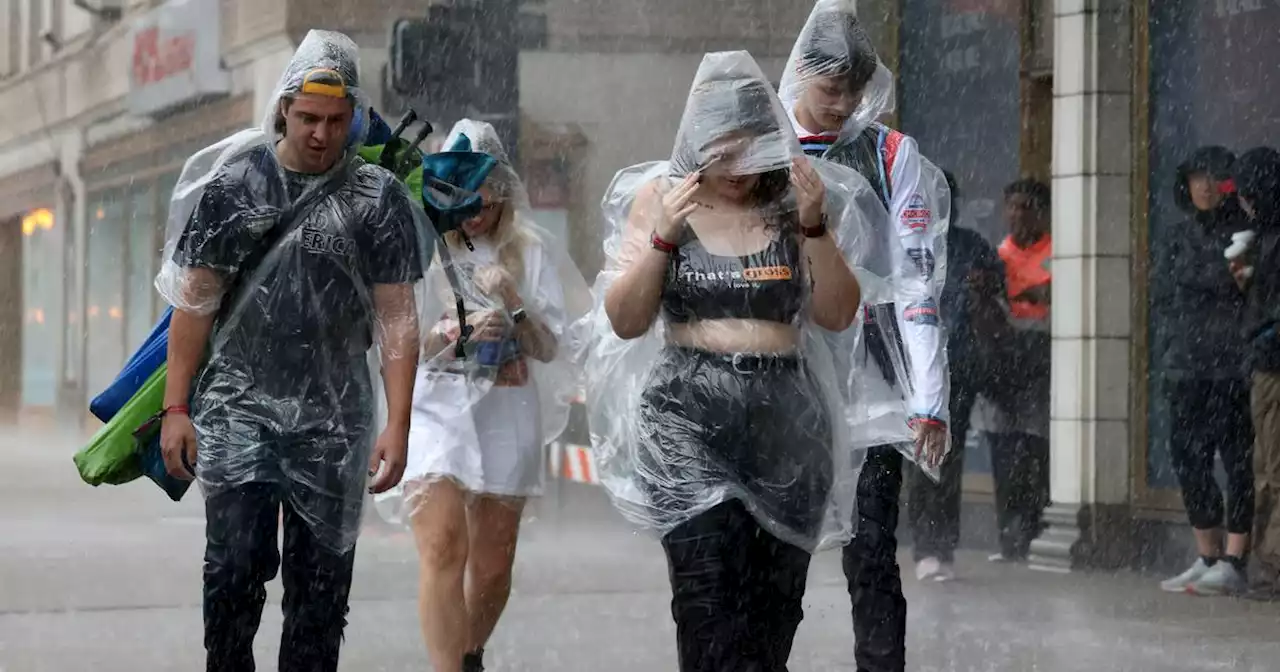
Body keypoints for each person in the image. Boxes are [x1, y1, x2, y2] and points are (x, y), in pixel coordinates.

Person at [584, 51, 879, 671]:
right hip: (687, 419)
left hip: (786, 422)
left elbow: (838, 312)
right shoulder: (661, 200)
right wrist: (663, 236)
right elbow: (625, 318)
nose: (737, 169)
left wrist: (815, 227)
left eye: (749, 150)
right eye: (720, 150)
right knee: (706, 601)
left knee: (772, 617)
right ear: (694, 142)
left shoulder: (793, 203)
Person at [154, 31, 428, 672]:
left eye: (336, 121)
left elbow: (397, 318)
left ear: (354, 117)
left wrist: (399, 421)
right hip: (238, 408)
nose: (321, 134)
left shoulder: (377, 200)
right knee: (232, 571)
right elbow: (193, 304)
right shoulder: (237, 185)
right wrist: (175, 407)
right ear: (282, 109)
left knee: (321, 595)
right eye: (307, 118)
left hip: (333, 419)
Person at [777, 3, 951, 669]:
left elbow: (915, 279)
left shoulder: (890, 152)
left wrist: (928, 397)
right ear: (799, 77)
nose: (842, 104)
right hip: (785, 381)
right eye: (829, 89)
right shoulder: (763, 148)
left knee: (873, 556)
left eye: (853, 90)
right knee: (777, 559)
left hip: (873, 390)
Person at [381, 120, 590, 672]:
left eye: (486, 200)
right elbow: (399, 338)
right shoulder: (422, 249)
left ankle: (467, 653)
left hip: (506, 410)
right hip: (435, 412)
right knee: (444, 545)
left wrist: (514, 306)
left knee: (493, 566)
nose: (474, 212)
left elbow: (550, 348)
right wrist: (450, 331)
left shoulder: (532, 252)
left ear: (504, 196)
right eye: (463, 199)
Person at [1152, 147, 1255, 596]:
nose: (1205, 186)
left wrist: (1212, 284)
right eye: (1197, 178)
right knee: (1188, 459)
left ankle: (1235, 558)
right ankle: (1207, 554)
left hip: (1231, 368)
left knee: (1238, 462)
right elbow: (1163, 292)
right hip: (1184, 367)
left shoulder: (1246, 233)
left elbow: (1243, 291)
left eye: (1213, 178)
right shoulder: (1176, 236)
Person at [907, 169, 1005, 582]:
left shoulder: (970, 245)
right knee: (919, 458)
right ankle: (925, 544)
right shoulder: (908, 243)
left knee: (950, 454)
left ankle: (943, 544)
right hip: (914, 367)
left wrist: (984, 287)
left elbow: (999, 287)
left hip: (959, 367)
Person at [979, 178, 1052, 563]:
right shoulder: (997, 255)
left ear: (1042, 212)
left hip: (1041, 357)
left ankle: (1035, 532)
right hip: (1003, 359)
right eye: (1012, 206)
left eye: (1027, 206)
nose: (1017, 214)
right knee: (1003, 451)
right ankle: (1009, 539)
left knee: (1035, 451)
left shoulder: (1057, 252)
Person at [1231, 146, 1280, 601]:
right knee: (1265, 469)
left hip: (1272, 366)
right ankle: (1266, 566)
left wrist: (1260, 341)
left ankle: (1269, 567)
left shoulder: (1271, 235)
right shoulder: (1265, 234)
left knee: (1271, 471)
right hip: (1265, 363)